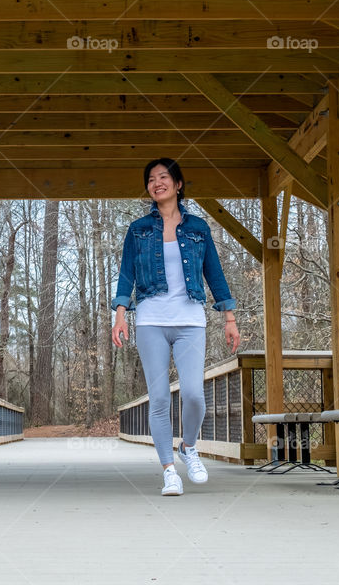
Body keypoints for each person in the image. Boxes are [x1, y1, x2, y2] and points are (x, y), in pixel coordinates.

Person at [112, 158, 240, 496]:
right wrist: (121, 313)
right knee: (158, 399)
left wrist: (229, 318)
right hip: (151, 320)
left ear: (178, 184)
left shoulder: (198, 228)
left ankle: (189, 446)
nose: (157, 183)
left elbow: (214, 273)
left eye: (164, 177)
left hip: (191, 322)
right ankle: (169, 470)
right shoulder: (138, 229)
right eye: (151, 179)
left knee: (195, 395)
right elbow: (127, 273)